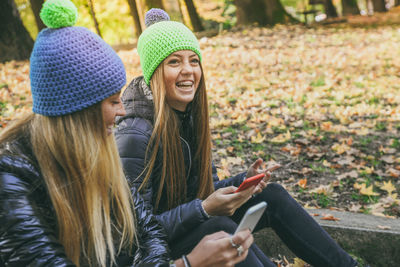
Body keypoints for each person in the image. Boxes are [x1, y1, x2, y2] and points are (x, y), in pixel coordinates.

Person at [0, 1, 254, 266]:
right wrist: (187, 264)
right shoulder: (12, 182)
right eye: (112, 101)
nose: (122, 110)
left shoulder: (98, 155)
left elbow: (147, 232)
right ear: (78, 113)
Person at [115, 8, 359, 267]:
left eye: (193, 61)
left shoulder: (189, 117)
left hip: (187, 226)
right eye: (174, 62)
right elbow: (134, 233)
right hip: (153, 254)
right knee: (218, 227)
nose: (187, 70)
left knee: (271, 196)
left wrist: (243, 184)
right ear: (154, 73)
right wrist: (204, 210)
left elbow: (205, 191)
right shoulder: (135, 134)